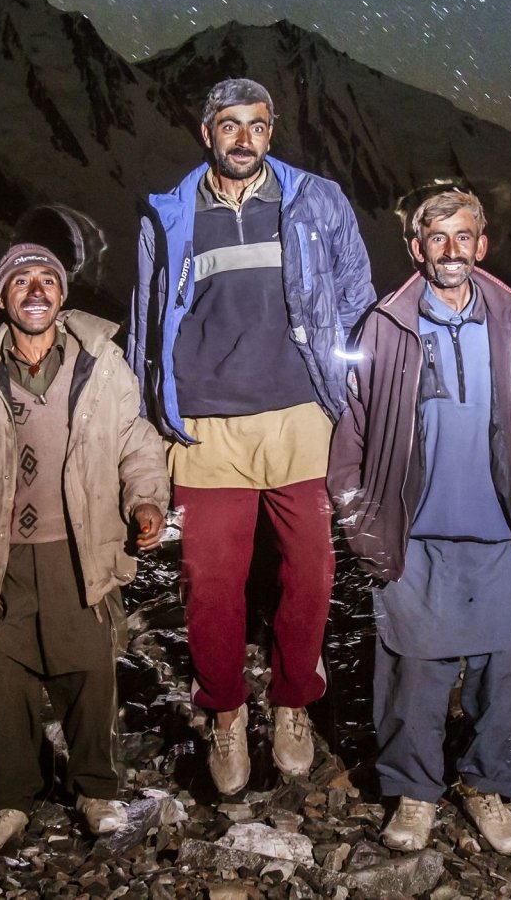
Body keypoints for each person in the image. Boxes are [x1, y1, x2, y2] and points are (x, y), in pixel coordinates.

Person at [128, 77, 375, 794]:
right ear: (207, 133)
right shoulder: (168, 215)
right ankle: (226, 712)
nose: (244, 137)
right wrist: (150, 423)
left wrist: (358, 400)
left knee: (312, 570)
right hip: (206, 425)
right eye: (230, 125)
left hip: (302, 412)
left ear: (271, 133)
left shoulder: (316, 199)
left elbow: (356, 300)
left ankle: (294, 697)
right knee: (209, 582)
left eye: (257, 125)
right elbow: (148, 320)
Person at [328, 188, 511, 855]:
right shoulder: (387, 325)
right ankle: (415, 791)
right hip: (415, 536)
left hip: (501, 533)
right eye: (438, 237)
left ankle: (488, 781)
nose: (452, 249)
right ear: (417, 249)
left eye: (464, 236)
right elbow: (354, 433)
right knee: (413, 675)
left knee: (503, 673)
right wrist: (361, 524)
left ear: (482, 245)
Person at [0, 243, 169, 853]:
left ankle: (95, 789)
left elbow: (135, 440)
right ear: (0, 297)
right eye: (21, 281)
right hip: (3, 554)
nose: (35, 290)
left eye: (48, 280)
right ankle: (5, 802)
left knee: (90, 669)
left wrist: (147, 500)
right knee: (3, 679)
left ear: (63, 296)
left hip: (79, 543)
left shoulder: (102, 360)